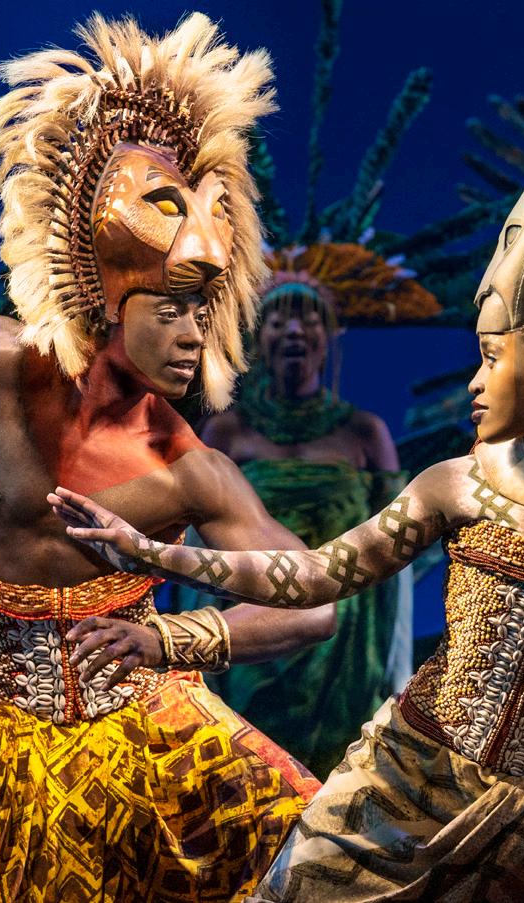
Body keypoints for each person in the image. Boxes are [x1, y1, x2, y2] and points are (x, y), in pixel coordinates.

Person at [51, 167, 524, 902]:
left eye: (491, 358)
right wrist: (151, 557)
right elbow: (317, 576)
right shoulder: (461, 483)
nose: (474, 383)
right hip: (413, 783)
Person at [0, 14, 335, 902]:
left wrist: (167, 639)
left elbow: (313, 601)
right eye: (173, 306)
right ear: (110, 296)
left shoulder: (188, 466)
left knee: (312, 855)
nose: (194, 332)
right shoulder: (6, 367)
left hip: (149, 730)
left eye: (204, 311)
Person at [185, 275, 412, 776]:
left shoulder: (364, 433)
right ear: (258, 337)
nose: (293, 330)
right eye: (278, 320)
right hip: (252, 628)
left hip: (347, 643)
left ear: (328, 336)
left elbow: (398, 554)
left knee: (336, 777)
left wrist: (397, 666)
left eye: (308, 318)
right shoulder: (227, 431)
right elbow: (199, 547)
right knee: (246, 769)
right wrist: (197, 649)